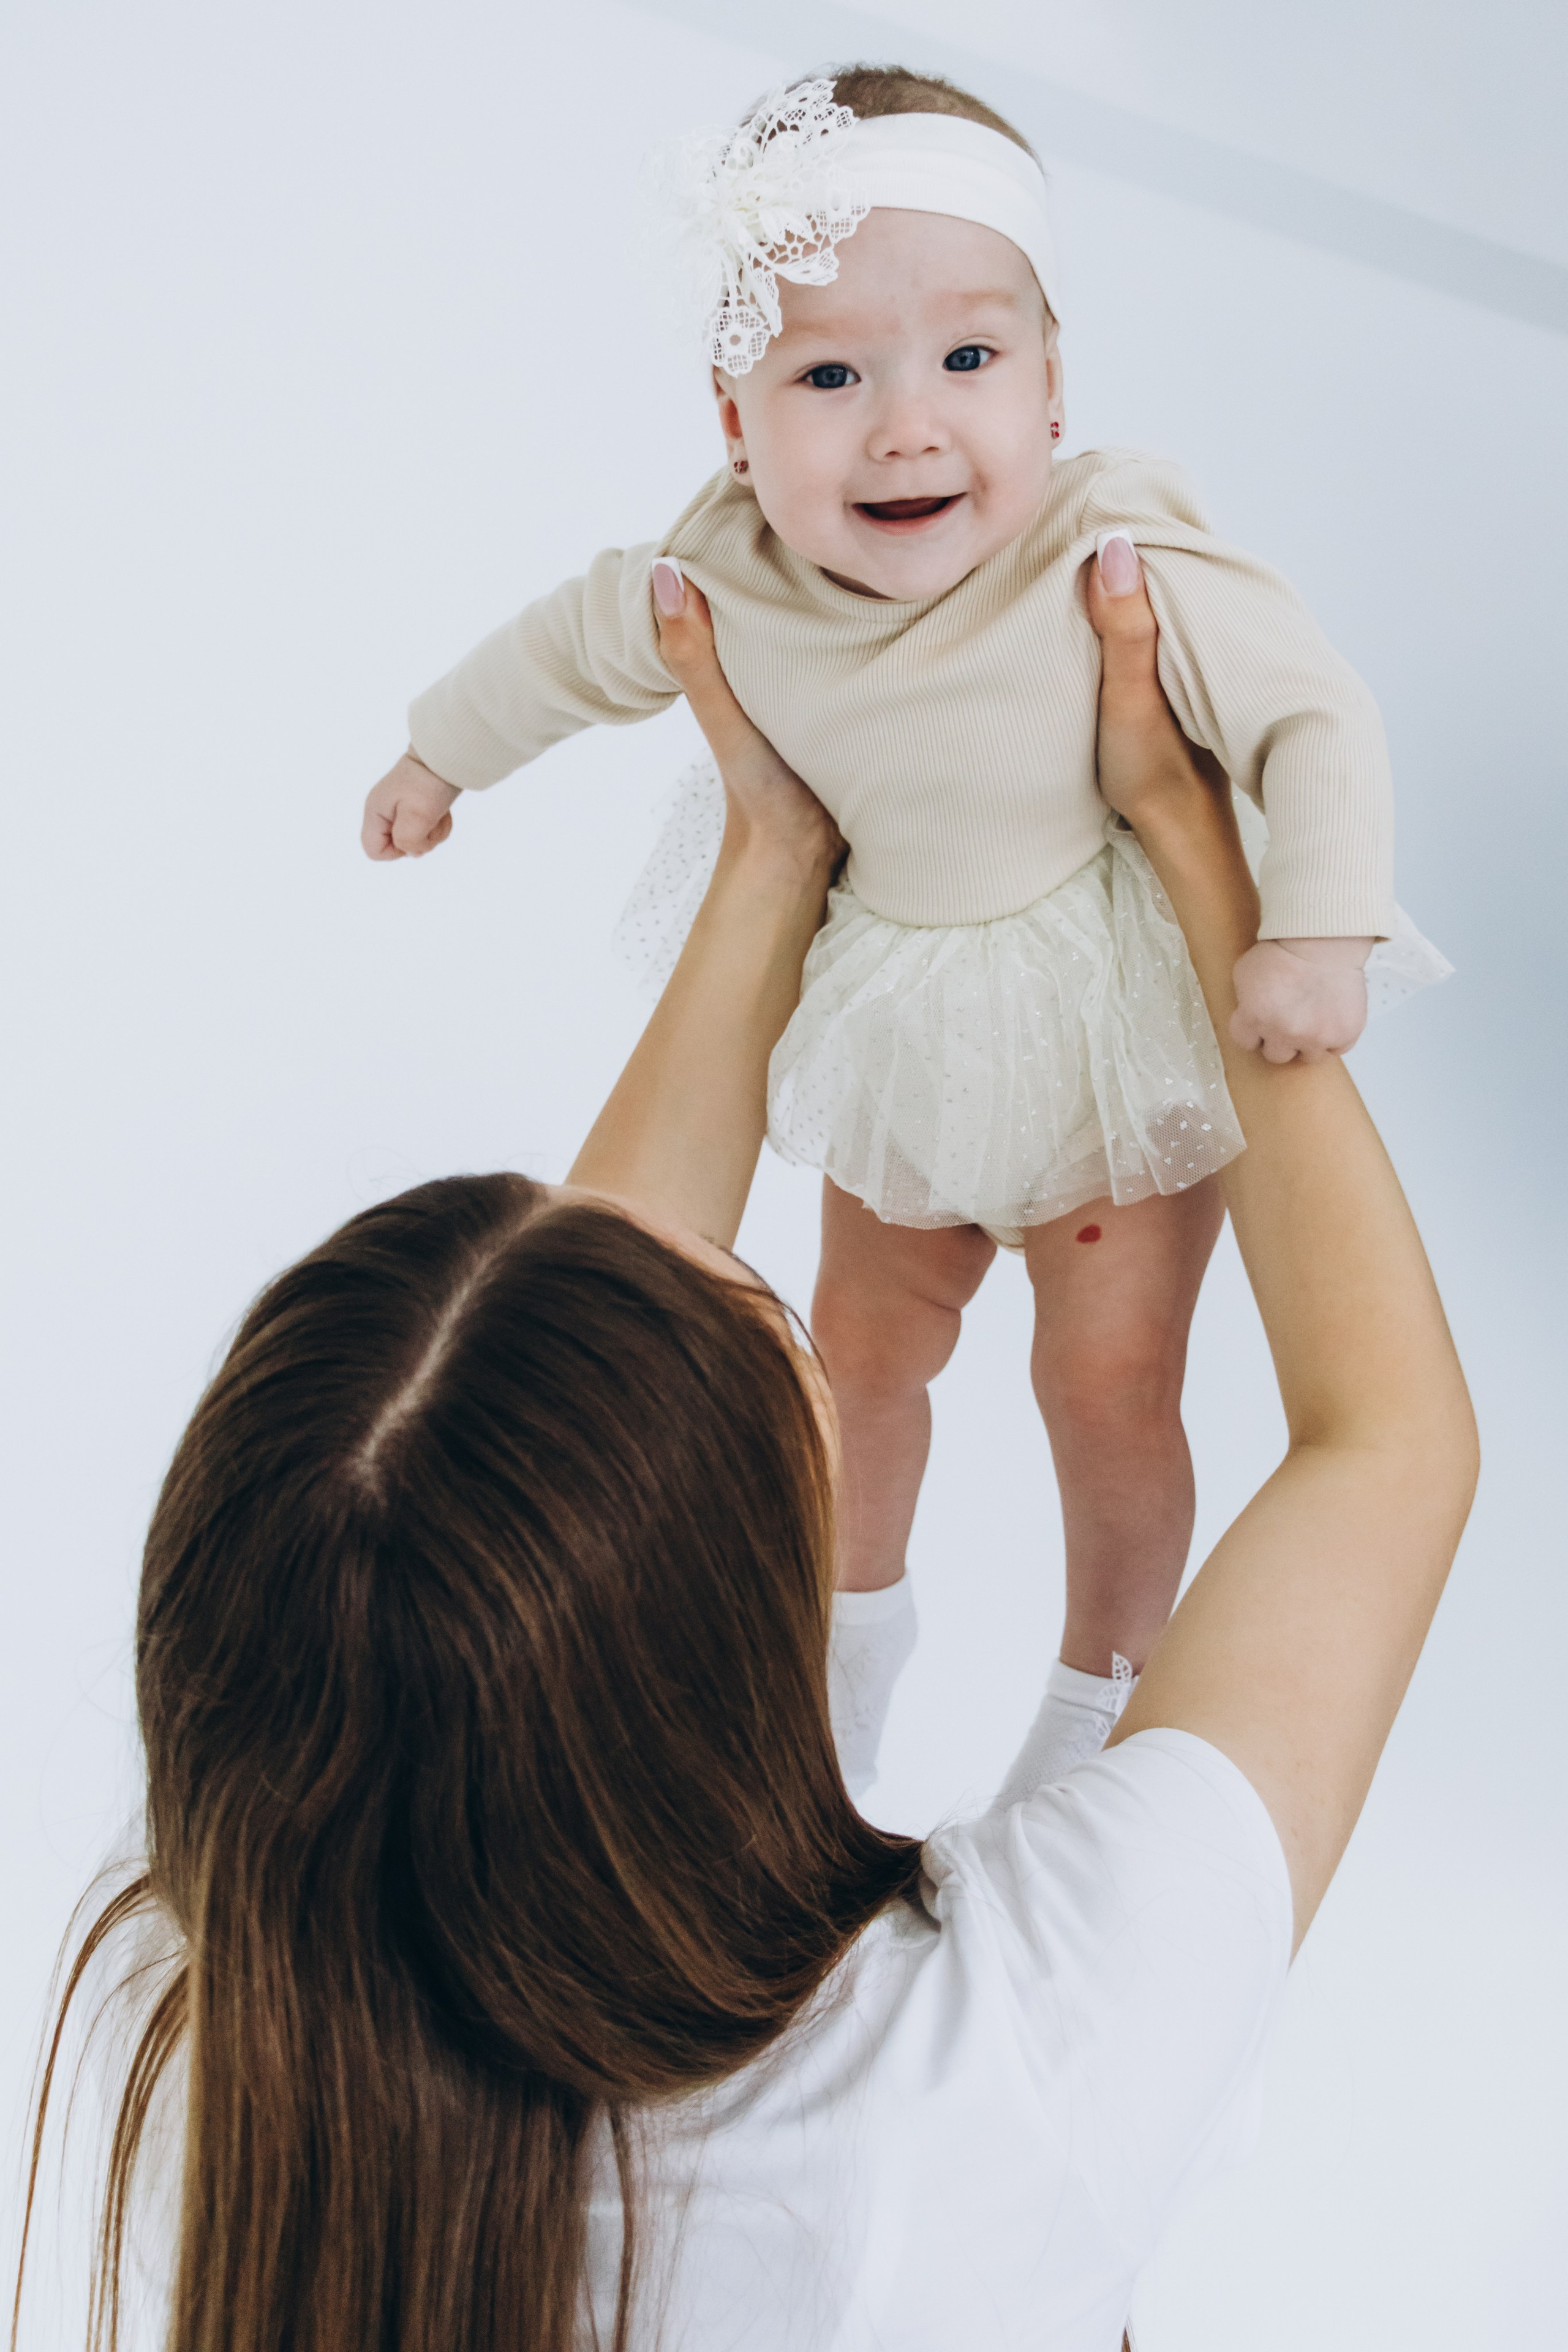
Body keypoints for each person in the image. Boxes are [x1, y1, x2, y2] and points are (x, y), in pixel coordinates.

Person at [21, 551, 1475, 2352]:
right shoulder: (994, 2102)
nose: (791, 1316)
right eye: (778, 1352)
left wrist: (777, 849)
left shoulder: (200, 2018)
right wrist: (1193, 839)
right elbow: (1386, 1446)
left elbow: (523, 1564)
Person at [358, 65, 1449, 1795]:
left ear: (1052, 377)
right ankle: (851, 1635)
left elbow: (1313, 714)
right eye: (828, 376)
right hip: (903, 1037)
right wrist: (441, 754)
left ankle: (1104, 1690)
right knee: (850, 1355)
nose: (906, 427)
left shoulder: (1112, 547)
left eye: (967, 360)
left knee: (1106, 1391)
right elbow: (571, 643)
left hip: (1103, 1032)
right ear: (731, 418)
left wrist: (1312, 927)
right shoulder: (730, 574)